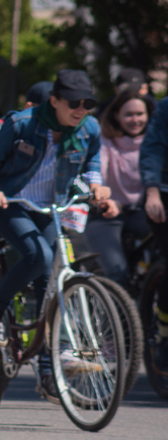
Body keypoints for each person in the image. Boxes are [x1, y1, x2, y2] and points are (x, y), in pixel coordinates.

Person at [0, 69, 108, 399]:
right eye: (74, 103)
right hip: (11, 202)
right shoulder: (22, 123)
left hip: (50, 205)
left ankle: (46, 368)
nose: (81, 109)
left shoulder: (89, 127)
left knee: (47, 284)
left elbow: (93, 158)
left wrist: (95, 182)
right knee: (39, 257)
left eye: (88, 103)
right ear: (54, 101)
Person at [84, 88, 150, 286]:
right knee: (117, 274)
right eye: (128, 114)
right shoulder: (104, 141)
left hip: (142, 213)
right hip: (105, 215)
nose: (135, 119)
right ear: (116, 115)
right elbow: (97, 171)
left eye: (140, 114)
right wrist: (102, 196)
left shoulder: (153, 142)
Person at [138, 87, 168, 369]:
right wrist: (153, 192)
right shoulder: (165, 109)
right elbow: (151, 152)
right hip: (164, 195)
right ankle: (164, 334)